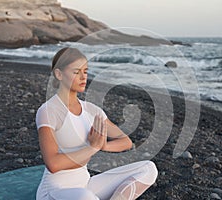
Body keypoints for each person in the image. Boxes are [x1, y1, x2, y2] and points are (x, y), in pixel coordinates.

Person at [35, 47, 158, 200]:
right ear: (59, 74)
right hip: (54, 191)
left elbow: (125, 141)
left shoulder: (92, 111)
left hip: (85, 184)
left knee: (148, 168)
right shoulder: (49, 111)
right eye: (76, 72)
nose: (83, 77)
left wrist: (104, 145)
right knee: (86, 197)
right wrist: (93, 147)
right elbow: (53, 164)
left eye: (85, 72)